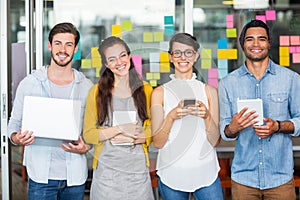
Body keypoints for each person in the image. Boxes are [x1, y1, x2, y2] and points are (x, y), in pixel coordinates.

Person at [7, 22, 93, 199]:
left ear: (75, 48)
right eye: (58, 43)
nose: (63, 50)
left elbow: (94, 129)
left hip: (75, 178)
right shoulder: (30, 83)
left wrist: (88, 146)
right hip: (41, 177)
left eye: (69, 44)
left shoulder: (87, 87)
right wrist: (17, 137)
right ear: (49, 45)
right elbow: (13, 123)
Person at [219, 19, 300, 200]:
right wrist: (234, 127)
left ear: (269, 43)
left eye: (261, 39)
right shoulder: (227, 83)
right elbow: (225, 131)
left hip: (280, 178)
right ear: (242, 44)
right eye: (250, 39)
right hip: (243, 179)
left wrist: (277, 126)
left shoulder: (291, 79)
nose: (256, 44)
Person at [151, 32, 223, 200]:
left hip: (206, 173)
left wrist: (206, 117)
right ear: (170, 57)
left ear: (196, 55)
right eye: (177, 52)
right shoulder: (159, 93)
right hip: (172, 173)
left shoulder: (210, 91)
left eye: (188, 52)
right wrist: (171, 117)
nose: (183, 57)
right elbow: (158, 142)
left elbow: (215, 141)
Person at [83, 36, 154, 200]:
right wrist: (119, 129)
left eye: (122, 55)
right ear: (106, 64)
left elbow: (154, 127)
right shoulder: (96, 92)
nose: (119, 62)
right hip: (107, 176)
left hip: (137, 173)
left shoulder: (146, 90)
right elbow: (89, 134)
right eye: (112, 59)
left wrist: (142, 137)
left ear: (129, 56)